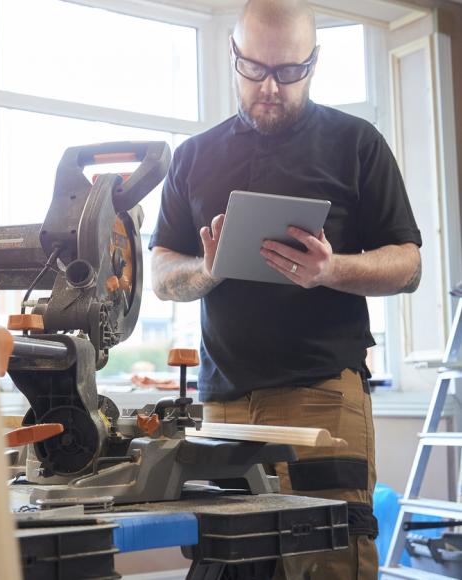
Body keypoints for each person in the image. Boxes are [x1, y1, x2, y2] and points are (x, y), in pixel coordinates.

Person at [149, 0, 422, 577]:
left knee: (328, 560)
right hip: (222, 407)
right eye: (255, 69)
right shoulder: (194, 157)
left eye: (289, 71)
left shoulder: (357, 143)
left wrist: (331, 271)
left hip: (323, 396)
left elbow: (408, 264)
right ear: (233, 56)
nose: (270, 87)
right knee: (231, 566)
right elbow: (161, 278)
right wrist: (210, 268)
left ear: (315, 62)